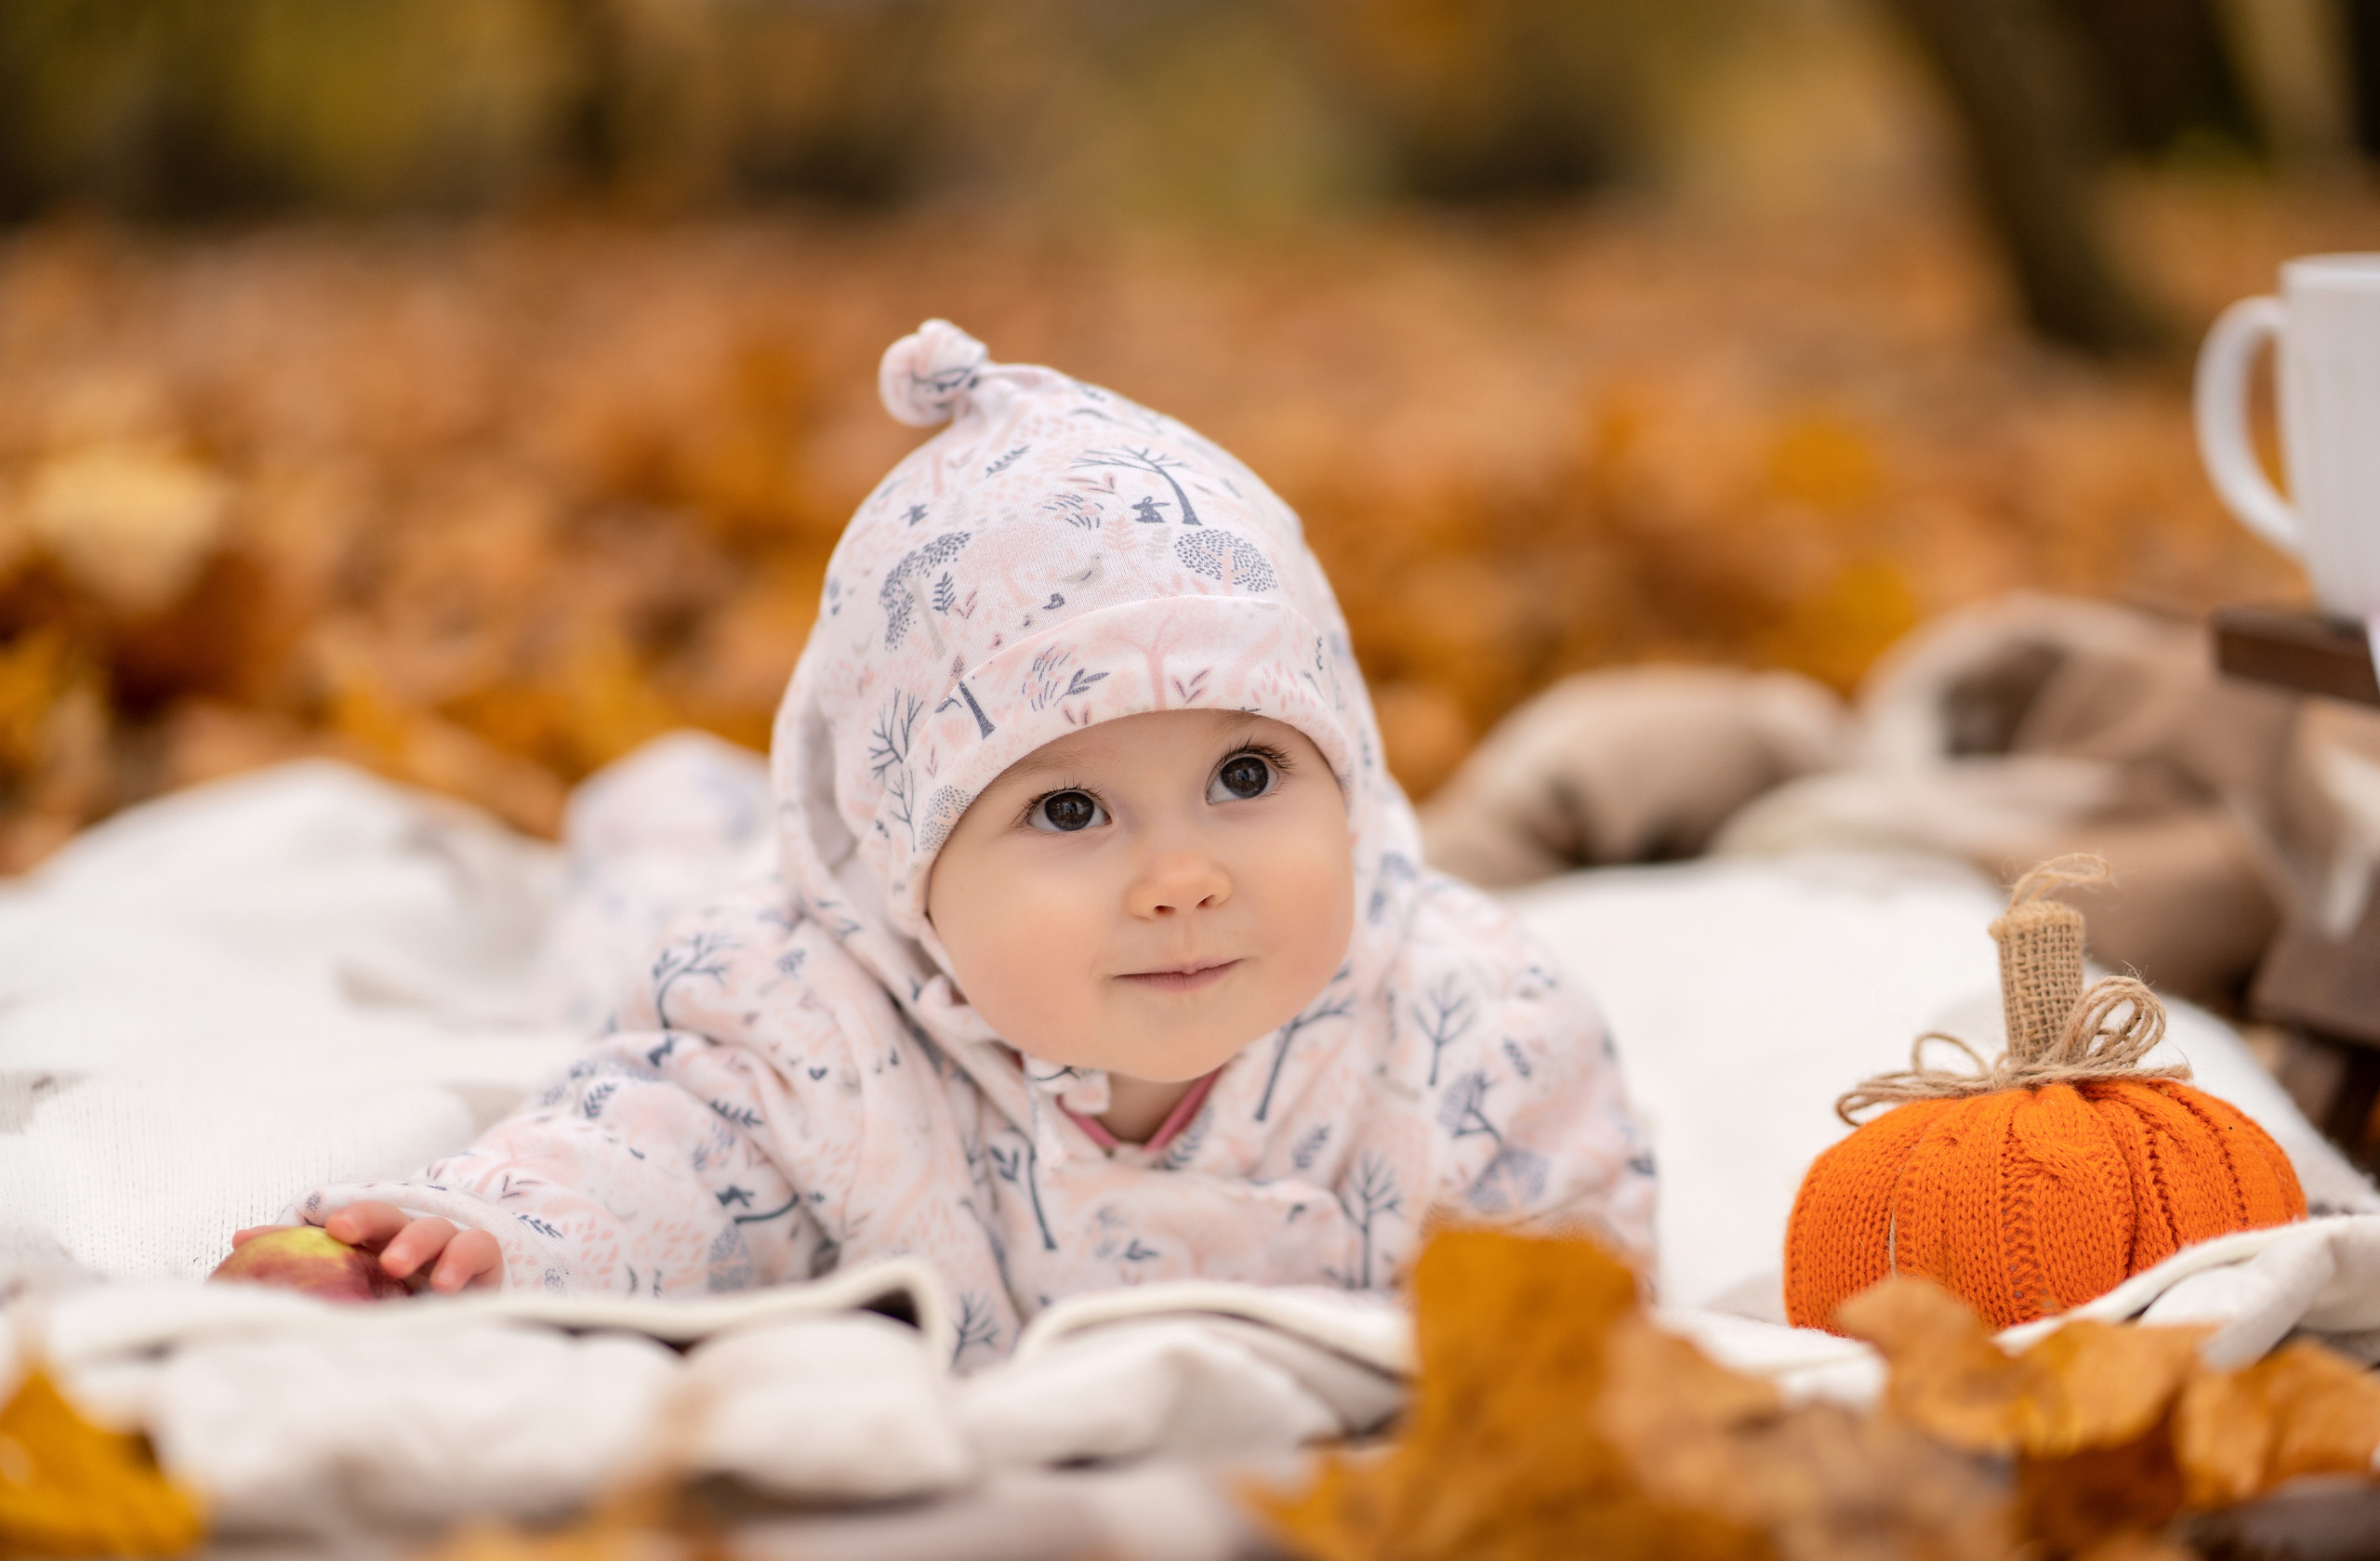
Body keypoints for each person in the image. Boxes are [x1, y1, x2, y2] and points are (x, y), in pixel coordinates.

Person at [233, 321, 1656, 1365]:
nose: (1184, 877)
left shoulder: (1468, 1023)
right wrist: (485, 1239)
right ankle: (667, 814)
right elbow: (647, 1150)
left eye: (1244, 772)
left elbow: (1579, 1266)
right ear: (908, 869)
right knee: (648, 919)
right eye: (1070, 809)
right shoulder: (805, 1024)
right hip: (740, 930)